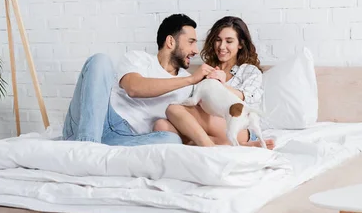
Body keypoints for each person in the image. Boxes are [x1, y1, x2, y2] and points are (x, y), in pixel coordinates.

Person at [62, 13, 214, 146]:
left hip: (125, 136)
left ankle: (93, 149)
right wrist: (191, 79)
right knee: (100, 60)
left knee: (171, 140)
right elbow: (134, 88)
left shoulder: (190, 84)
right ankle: (86, 146)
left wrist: (217, 81)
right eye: (191, 42)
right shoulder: (138, 58)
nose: (195, 50)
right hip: (99, 118)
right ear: (170, 42)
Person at [158, 16, 274, 149]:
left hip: (239, 127)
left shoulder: (249, 71)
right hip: (209, 127)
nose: (222, 46)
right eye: (218, 40)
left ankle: (210, 146)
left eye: (229, 41)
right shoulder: (206, 70)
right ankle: (235, 145)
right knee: (161, 125)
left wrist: (221, 85)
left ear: (240, 44)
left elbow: (245, 98)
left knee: (173, 109)